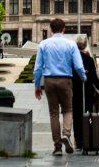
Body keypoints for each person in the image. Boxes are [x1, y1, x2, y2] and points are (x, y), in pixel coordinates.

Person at [33, 18, 86, 156]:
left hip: (49, 81)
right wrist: (83, 77)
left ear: (51, 29)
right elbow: (79, 65)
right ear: (64, 29)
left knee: (53, 113)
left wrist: (37, 85)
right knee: (68, 109)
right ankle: (66, 134)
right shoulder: (70, 44)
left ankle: (57, 146)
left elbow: (37, 68)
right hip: (65, 80)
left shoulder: (44, 44)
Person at [72, 35, 99, 150]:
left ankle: (78, 141)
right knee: (87, 114)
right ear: (86, 44)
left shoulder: (71, 58)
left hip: (74, 91)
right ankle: (87, 137)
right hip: (86, 91)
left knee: (76, 116)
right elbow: (93, 77)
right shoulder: (88, 59)